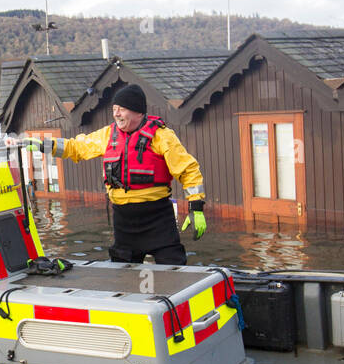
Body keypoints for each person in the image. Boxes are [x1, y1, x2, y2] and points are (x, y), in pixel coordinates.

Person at [18, 83, 206, 265]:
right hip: (123, 221)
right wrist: (44, 144)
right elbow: (77, 147)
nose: (116, 113)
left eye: (122, 109)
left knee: (173, 268)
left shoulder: (162, 136)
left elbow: (187, 169)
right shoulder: (108, 135)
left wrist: (196, 207)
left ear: (138, 112)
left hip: (157, 218)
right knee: (123, 273)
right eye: (114, 108)